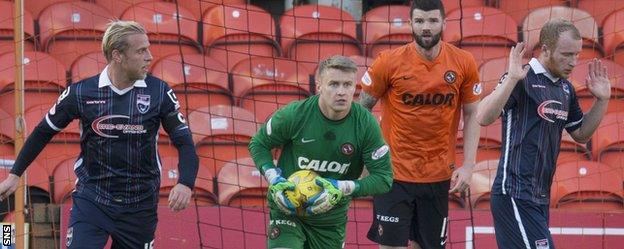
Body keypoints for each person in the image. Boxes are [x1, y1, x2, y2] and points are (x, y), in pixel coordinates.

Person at [0, 20, 199, 248]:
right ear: (118, 56)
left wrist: (185, 183)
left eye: (148, 49)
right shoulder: (81, 93)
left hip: (140, 205)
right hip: (93, 199)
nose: (150, 57)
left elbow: (184, 143)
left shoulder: (160, 92)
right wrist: (15, 174)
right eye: (141, 50)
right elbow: (43, 131)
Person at [476, 19, 610, 249]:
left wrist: (602, 100)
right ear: (546, 49)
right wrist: (510, 79)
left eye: (577, 55)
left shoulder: (565, 88)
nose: (573, 62)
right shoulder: (522, 77)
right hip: (514, 192)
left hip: (539, 197)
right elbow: (482, 117)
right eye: (566, 54)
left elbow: (580, 134)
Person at [359, 0, 482, 248]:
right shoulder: (388, 62)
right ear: (410, 24)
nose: (426, 27)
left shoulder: (463, 62)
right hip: (393, 174)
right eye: (420, 21)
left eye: (433, 21)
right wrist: (368, 157)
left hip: (438, 176)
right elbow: (362, 110)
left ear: (444, 23)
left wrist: (468, 165)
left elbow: (473, 114)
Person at [248, 55, 393, 249]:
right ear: (319, 86)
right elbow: (258, 144)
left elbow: (384, 179)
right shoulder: (295, 114)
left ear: (354, 87)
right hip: (288, 209)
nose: (341, 92)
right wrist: (273, 177)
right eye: (333, 84)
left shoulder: (366, 124)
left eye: (348, 85)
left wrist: (342, 187)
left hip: (330, 219)